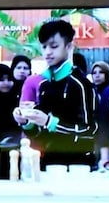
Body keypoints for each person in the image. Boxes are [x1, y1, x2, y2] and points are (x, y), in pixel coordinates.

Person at [12, 18, 98, 167]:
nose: (48, 52)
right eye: (44, 47)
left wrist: (50, 122)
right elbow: (39, 133)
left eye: (54, 46)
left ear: (69, 47)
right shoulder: (44, 85)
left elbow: (90, 131)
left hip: (78, 164)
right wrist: (26, 122)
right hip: (48, 162)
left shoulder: (81, 84)